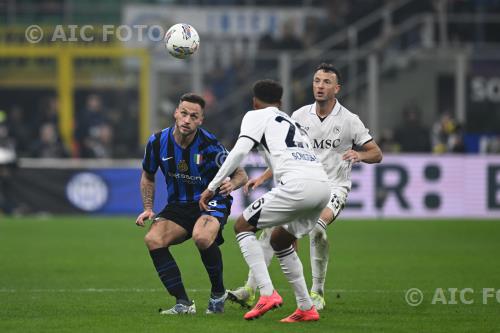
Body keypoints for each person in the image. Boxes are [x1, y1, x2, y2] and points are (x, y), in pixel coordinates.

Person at [227, 63, 383, 311]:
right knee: (270, 233)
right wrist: (265, 177)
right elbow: (291, 153)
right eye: (317, 81)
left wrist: (359, 155)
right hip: (302, 184)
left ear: (337, 88)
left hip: (333, 187)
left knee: (318, 230)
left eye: (326, 82)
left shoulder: (349, 120)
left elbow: (376, 153)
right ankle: (249, 290)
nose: (320, 86)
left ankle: (317, 292)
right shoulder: (298, 116)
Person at [200, 79, 331, 322]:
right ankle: (306, 307)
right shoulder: (291, 121)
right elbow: (285, 157)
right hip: (323, 187)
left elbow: (239, 151)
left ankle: (266, 293)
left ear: (254, 102)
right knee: (280, 240)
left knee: (242, 226)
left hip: (298, 185)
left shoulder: (255, 115)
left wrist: (212, 185)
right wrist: (266, 178)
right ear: (280, 102)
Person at [135, 93, 248, 315]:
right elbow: (148, 175)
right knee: (153, 239)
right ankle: (183, 303)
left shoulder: (210, 146)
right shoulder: (157, 142)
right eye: (184, 113)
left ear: (200, 120)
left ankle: (218, 294)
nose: (187, 120)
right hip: (178, 204)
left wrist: (232, 184)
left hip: (211, 201)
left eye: (193, 116)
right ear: (176, 113)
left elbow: (241, 174)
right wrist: (148, 208)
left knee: (202, 237)